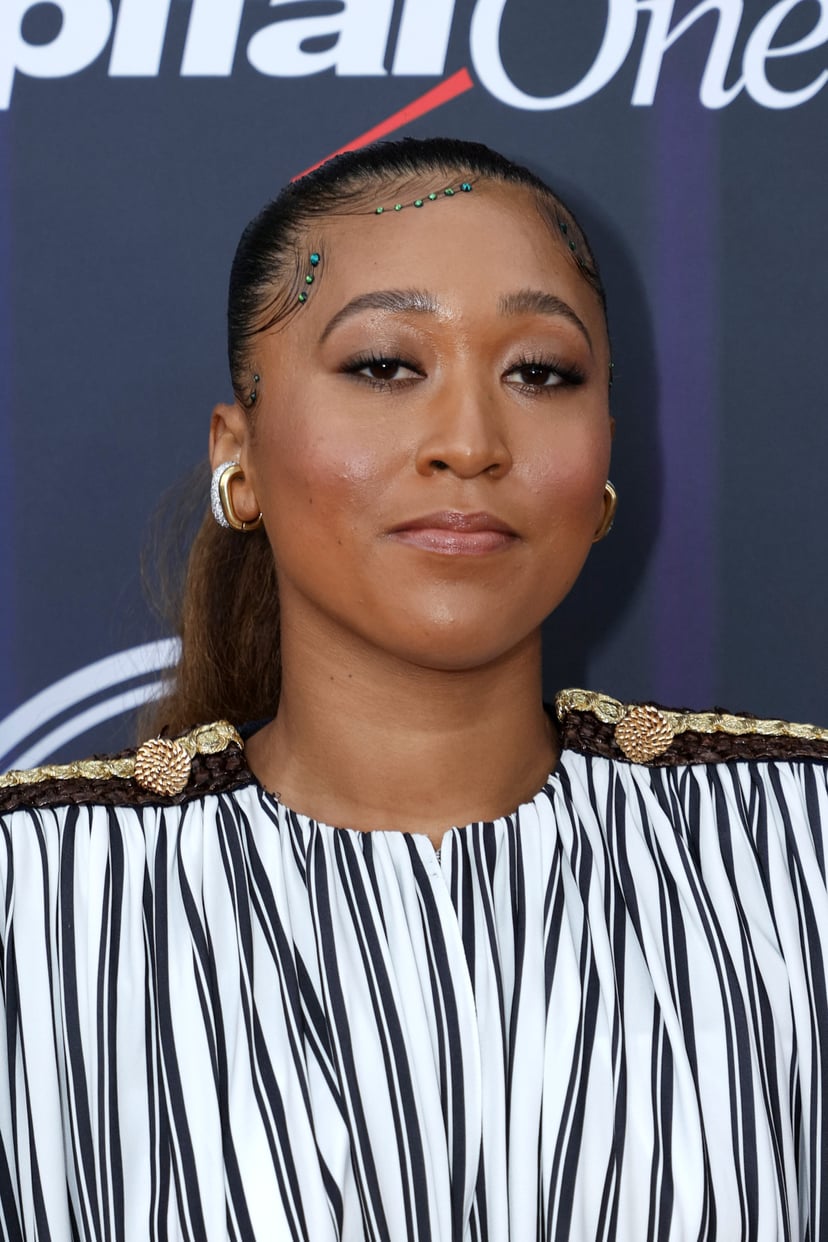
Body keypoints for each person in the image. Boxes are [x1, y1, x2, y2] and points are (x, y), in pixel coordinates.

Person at [0, 136, 827, 1241]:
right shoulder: (28, 905)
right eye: (388, 365)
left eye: (541, 372)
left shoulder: (799, 853)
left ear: (605, 461)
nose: (471, 442)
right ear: (237, 456)